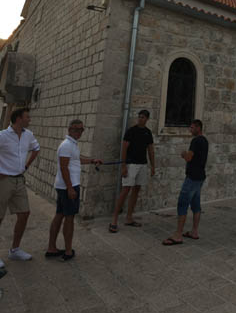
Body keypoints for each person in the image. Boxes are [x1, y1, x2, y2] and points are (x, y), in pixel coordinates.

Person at [46, 119, 102, 261]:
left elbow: (76, 159)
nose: (79, 132)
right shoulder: (66, 145)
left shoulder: (72, 145)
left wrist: (92, 160)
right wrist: (70, 188)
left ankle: (51, 248)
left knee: (60, 215)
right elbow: (64, 167)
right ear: (69, 129)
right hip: (67, 187)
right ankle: (68, 251)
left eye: (81, 129)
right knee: (69, 218)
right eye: (76, 129)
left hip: (65, 186)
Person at [0, 108, 40, 267]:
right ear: (18, 119)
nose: (29, 119)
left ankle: (15, 250)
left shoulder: (28, 135)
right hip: (4, 180)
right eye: (27, 117)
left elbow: (36, 149)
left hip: (19, 180)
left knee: (24, 213)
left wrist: (26, 166)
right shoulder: (3, 136)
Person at [163, 119, 208, 246]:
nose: (190, 129)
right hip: (200, 177)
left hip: (192, 177)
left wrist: (183, 154)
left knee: (182, 203)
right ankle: (194, 231)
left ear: (198, 128)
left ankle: (178, 235)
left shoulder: (195, 141)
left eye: (192, 127)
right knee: (196, 204)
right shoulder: (205, 141)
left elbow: (189, 157)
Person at [108, 110, 155, 233]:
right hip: (131, 165)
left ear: (147, 119)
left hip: (142, 164)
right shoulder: (131, 131)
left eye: (143, 117)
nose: (140, 119)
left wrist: (153, 166)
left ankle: (129, 217)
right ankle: (114, 219)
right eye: (139, 117)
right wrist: (123, 166)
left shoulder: (148, 133)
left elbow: (150, 150)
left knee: (136, 189)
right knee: (125, 190)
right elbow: (124, 148)